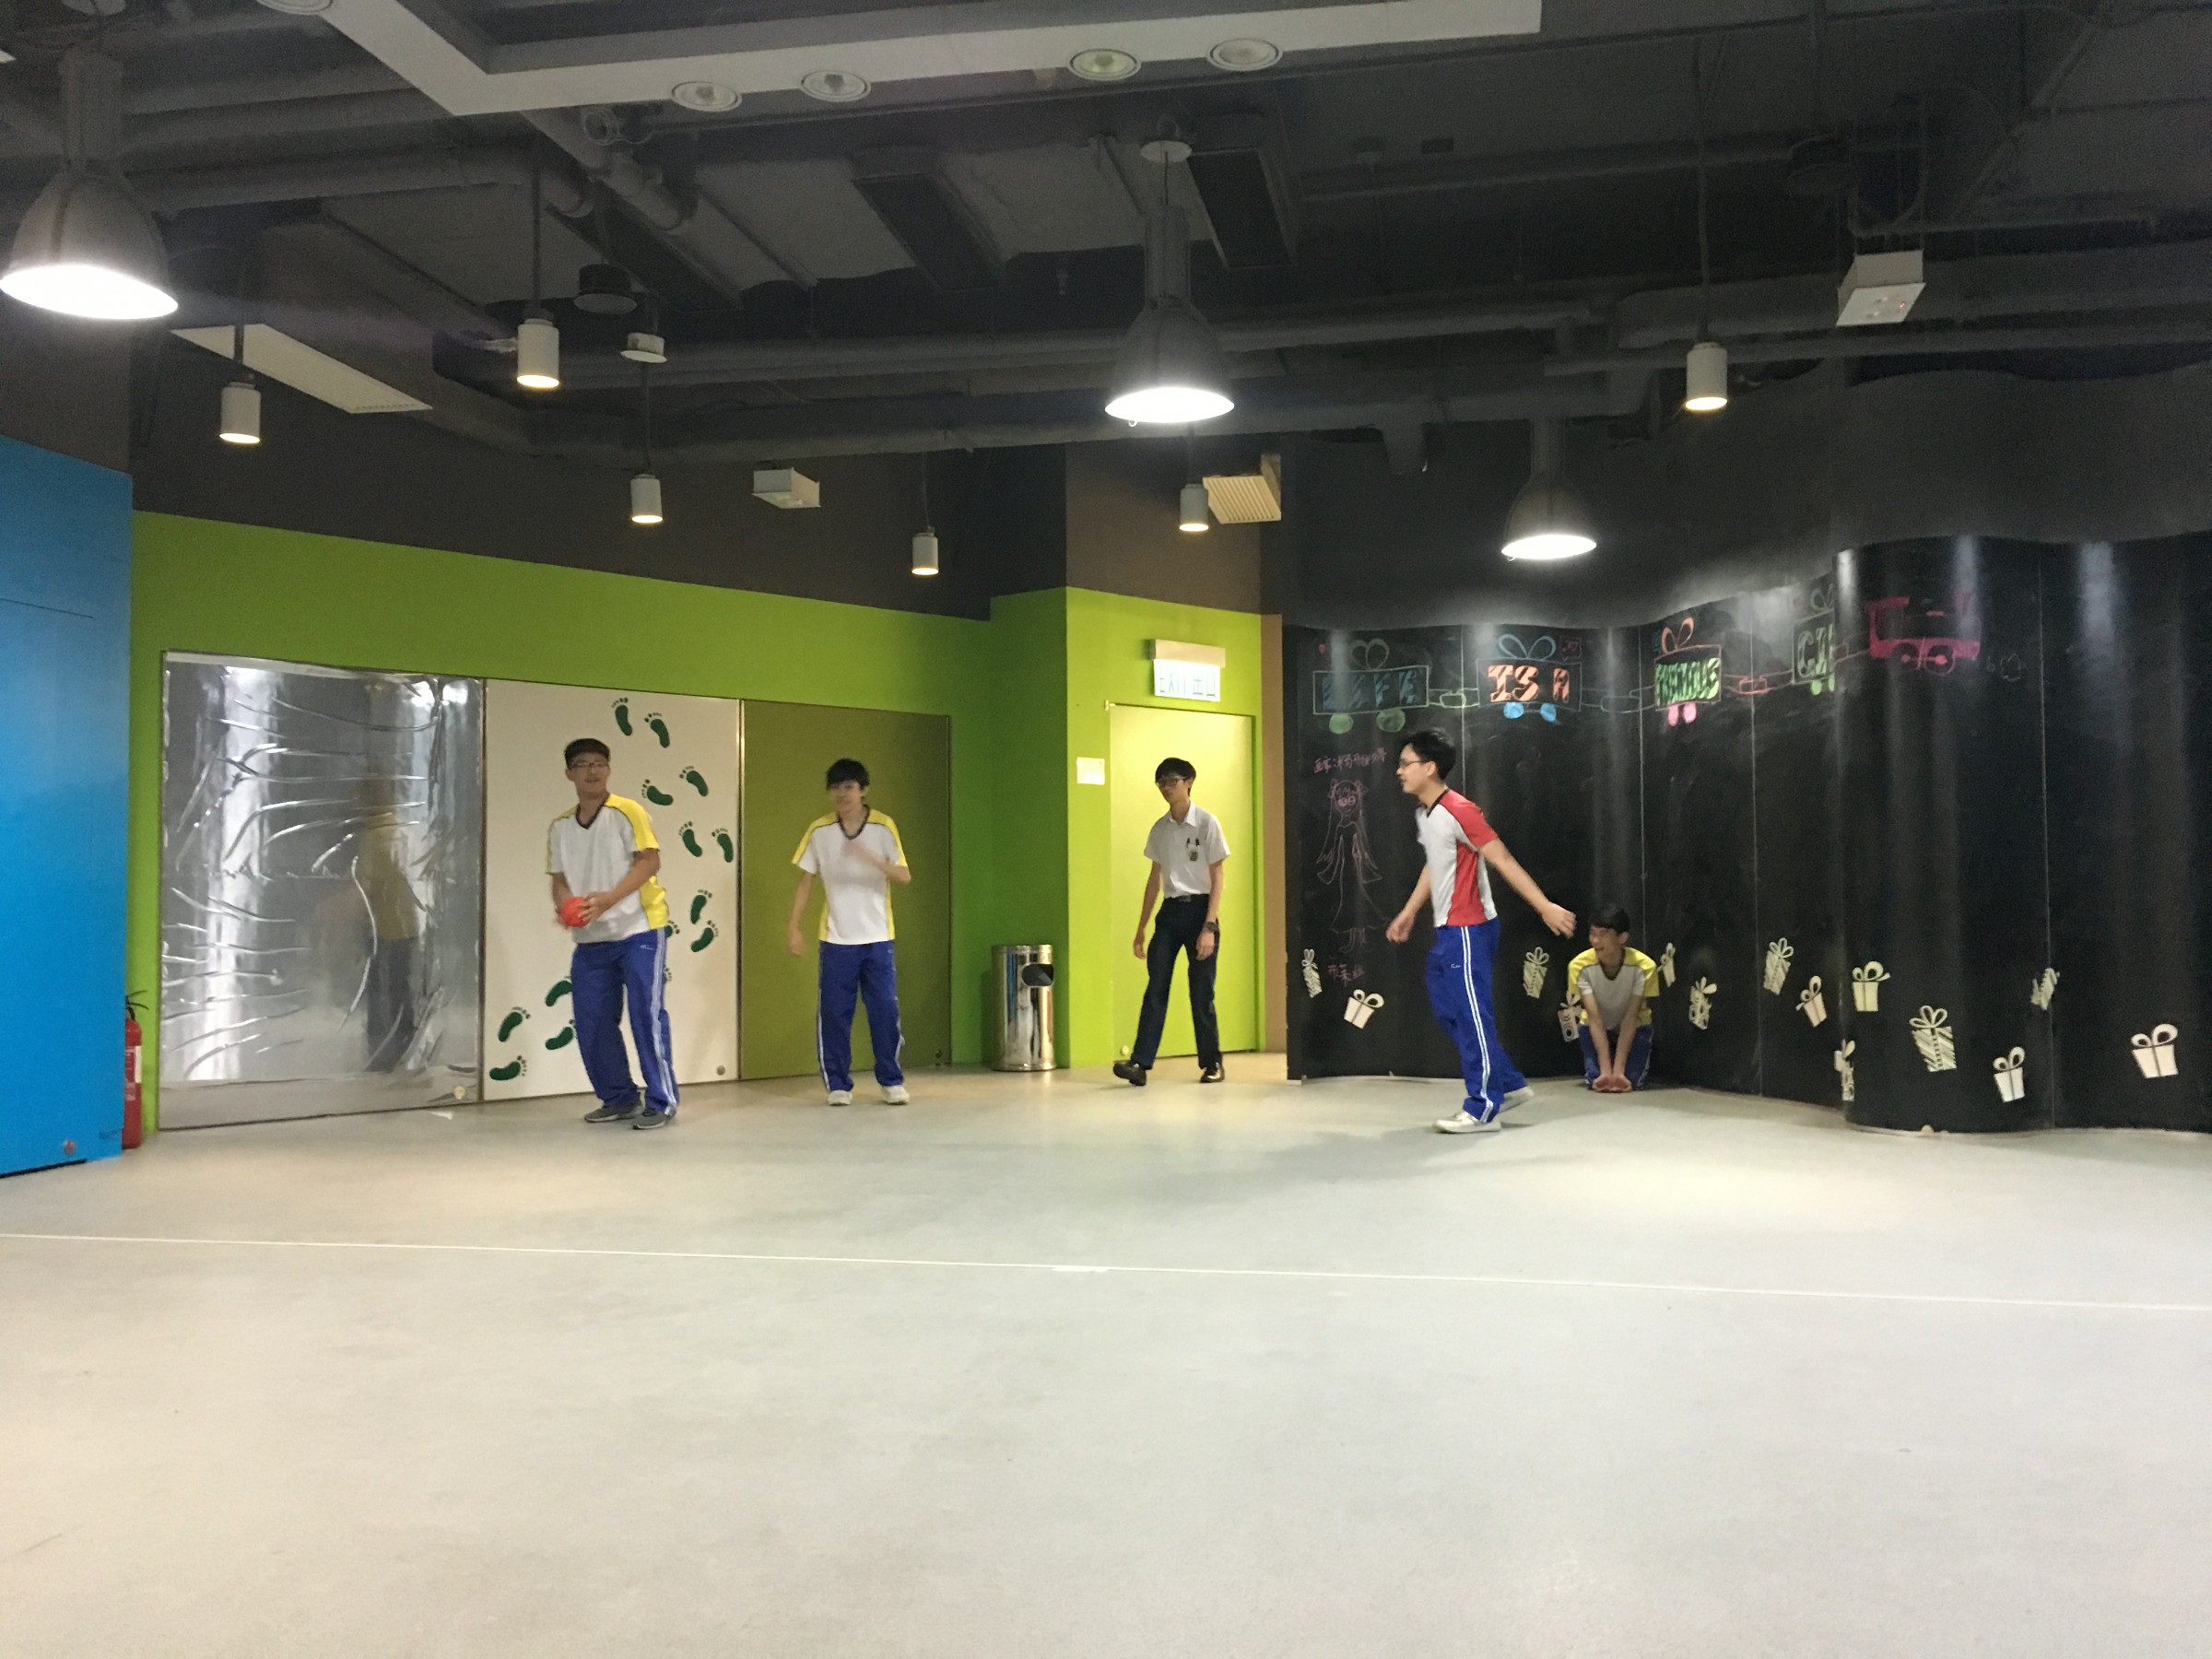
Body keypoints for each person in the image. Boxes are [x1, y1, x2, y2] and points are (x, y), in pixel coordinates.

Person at [1384, 728, 1576, 1134]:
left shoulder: (1460, 810)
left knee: (1472, 1016)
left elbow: (1501, 858)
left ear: (1429, 768)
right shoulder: (1426, 814)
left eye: (1405, 763)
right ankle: (1507, 1083)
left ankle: (1483, 1108)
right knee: (1448, 1009)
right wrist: (1409, 911)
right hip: (1447, 931)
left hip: (1469, 930)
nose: (1399, 771)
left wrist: (1544, 906)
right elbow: (1435, 864)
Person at [547, 737, 677, 1130]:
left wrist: (608, 900)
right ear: (569, 773)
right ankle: (619, 1098)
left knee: (645, 1015)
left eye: (599, 763)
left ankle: (662, 1101)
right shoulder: (560, 826)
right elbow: (559, 879)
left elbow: (649, 861)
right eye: (583, 764)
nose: (592, 771)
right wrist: (566, 909)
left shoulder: (627, 811)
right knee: (592, 1021)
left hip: (639, 928)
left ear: (608, 769)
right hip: (592, 940)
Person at [788, 758, 912, 1107]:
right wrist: (794, 927)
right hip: (836, 939)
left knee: (884, 1010)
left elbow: (904, 876)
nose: (842, 794)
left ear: (863, 790)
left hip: (878, 937)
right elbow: (805, 881)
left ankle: (891, 1080)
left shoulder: (884, 826)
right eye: (836, 787)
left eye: (849, 787)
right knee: (834, 1013)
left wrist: (871, 858)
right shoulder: (819, 831)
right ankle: (838, 1084)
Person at [1112, 756, 1230, 1088]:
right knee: (1156, 987)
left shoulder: (1207, 823)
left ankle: (1212, 1063)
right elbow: (1154, 878)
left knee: (1201, 991)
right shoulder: (1160, 829)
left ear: (1189, 782)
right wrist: (1141, 927)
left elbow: (1218, 877)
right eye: (1161, 782)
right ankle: (1140, 1062)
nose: (1166, 788)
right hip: (1170, 912)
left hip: (1201, 911)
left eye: (1172, 781)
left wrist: (1209, 927)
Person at [1567, 904, 1658, 1092]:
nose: (1595, 940)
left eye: (1603, 934)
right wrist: (1606, 1072)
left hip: (1634, 1027)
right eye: (1592, 933)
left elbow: (1631, 1018)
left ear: (1622, 938)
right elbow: (1595, 1019)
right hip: (1596, 1027)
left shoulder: (1644, 967)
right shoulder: (1579, 966)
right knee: (1597, 1080)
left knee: (1631, 1082)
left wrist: (1618, 1072)